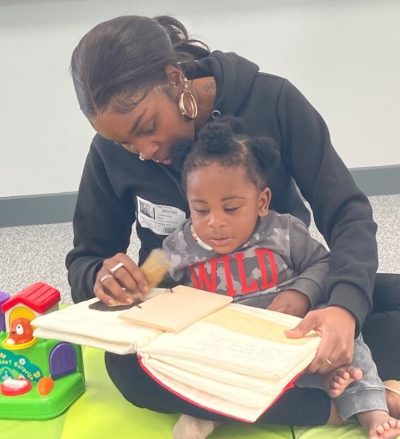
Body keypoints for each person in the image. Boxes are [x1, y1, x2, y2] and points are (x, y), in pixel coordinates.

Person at [66, 15, 400, 428]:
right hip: (191, 325)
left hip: (287, 302)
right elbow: (86, 258)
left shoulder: (272, 99)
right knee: (126, 369)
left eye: (148, 128)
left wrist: (343, 310)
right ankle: (336, 403)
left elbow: (347, 213)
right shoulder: (110, 154)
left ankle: (256, 387)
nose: (144, 151)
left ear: (175, 80)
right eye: (125, 142)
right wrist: (102, 275)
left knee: (370, 300)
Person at [161, 119, 400, 439]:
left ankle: (371, 409)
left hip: (293, 337)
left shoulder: (282, 232)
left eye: (231, 208)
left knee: (348, 343)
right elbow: (158, 285)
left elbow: (323, 263)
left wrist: (302, 293)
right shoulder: (180, 246)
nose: (215, 223)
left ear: (261, 202)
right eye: (201, 210)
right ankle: (206, 414)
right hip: (229, 345)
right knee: (194, 369)